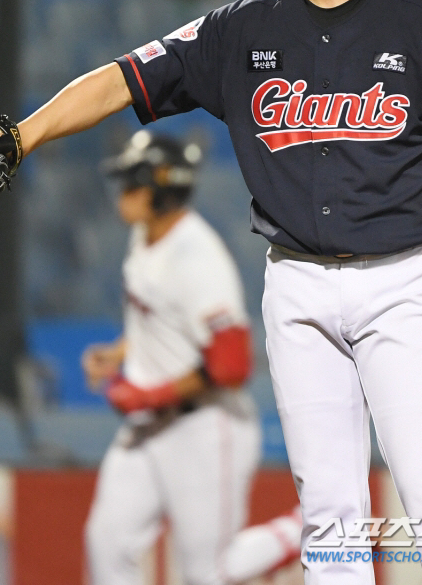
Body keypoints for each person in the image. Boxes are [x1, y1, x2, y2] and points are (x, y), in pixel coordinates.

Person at [14, 0, 422, 583]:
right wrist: (22, 135)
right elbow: (124, 79)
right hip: (297, 285)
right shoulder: (242, 30)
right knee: (329, 518)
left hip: (403, 283)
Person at [83, 129, 302, 584]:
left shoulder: (198, 257)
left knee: (210, 573)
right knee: (107, 542)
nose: (122, 193)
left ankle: (314, 527)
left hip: (204, 426)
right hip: (151, 424)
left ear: (162, 190)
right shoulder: (145, 234)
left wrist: (150, 395)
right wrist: (119, 352)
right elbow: (159, 316)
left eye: (133, 183)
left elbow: (232, 366)